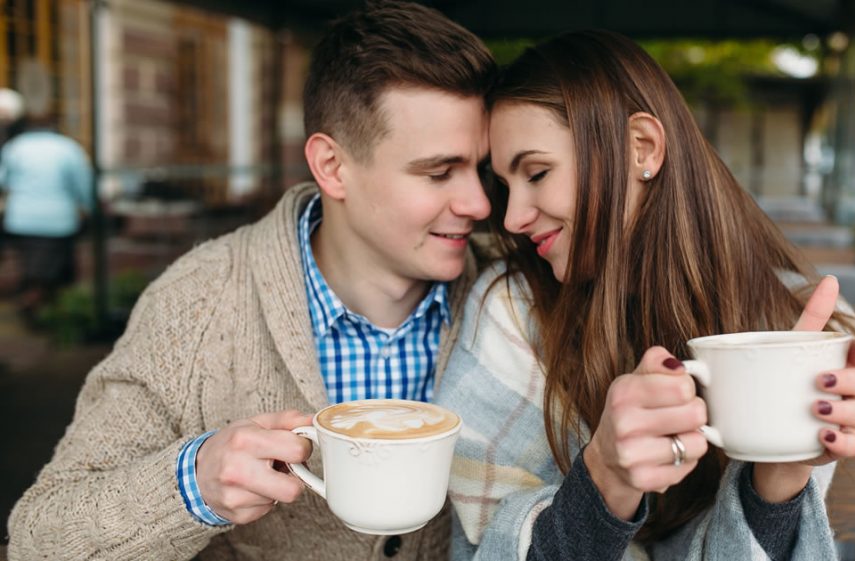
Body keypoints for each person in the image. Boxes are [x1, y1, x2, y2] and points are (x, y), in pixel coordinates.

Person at [7, 2, 495, 560]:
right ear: (332, 167)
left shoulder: (514, 295)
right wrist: (193, 484)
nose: (478, 203)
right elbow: (38, 538)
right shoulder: (195, 301)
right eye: (439, 172)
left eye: (479, 169)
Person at [438, 30, 855, 560]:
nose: (512, 217)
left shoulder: (799, 333)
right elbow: (483, 550)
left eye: (537, 172)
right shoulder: (511, 307)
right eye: (506, 187)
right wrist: (603, 479)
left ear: (641, 148)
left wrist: (783, 466)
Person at [0, 103, 92, 323]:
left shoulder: (15, 147)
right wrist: (90, 208)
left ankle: (35, 303)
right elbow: (83, 184)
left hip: (21, 219)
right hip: (58, 220)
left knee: (32, 265)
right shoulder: (68, 148)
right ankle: (44, 309)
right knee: (53, 269)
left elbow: (2, 180)